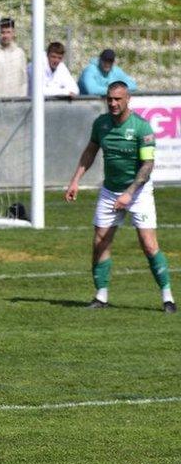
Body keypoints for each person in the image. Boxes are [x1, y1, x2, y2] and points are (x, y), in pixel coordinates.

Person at [65, 81, 175, 313]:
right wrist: (75, 180)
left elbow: (147, 166)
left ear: (128, 100)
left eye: (118, 99)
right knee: (99, 242)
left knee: (148, 244)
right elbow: (90, 152)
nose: (113, 103)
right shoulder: (101, 124)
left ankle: (167, 297)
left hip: (138, 191)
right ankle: (101, 296)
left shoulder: (142, 128)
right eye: (110, 99)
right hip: (109, 191)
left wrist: (129, 194)